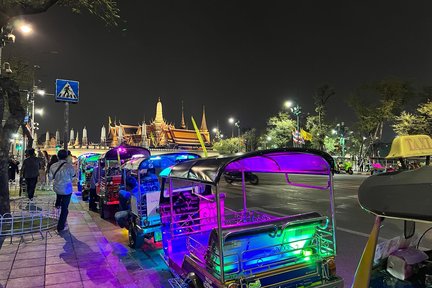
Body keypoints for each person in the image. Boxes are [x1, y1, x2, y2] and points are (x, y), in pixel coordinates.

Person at [48, 149, 75, 233]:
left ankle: (57, 205)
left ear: (58, 156)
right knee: (65, 208)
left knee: (59, 198)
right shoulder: (70, 166)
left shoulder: (53, 166)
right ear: (66, 157)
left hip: (57, 188)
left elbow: (50, 178)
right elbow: (74, 179)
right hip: (67, 189)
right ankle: (60, 226)